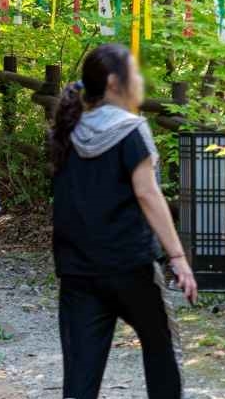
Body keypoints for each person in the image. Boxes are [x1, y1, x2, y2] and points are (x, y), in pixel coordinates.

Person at [50, 43, 197, 399]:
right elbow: (148, 193)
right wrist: (177, 257)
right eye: (135, 72)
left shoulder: (68, 129)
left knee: (80, 377)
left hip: (77, 269)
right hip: (130, 267)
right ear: (116, 82)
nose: (140, 79)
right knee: (162, 350)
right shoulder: (130, 129)